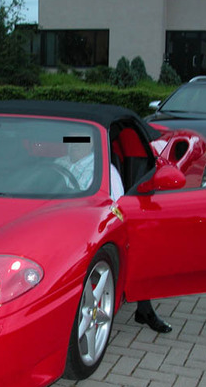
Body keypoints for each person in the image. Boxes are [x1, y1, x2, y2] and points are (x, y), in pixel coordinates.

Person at [58, 134, 171, 334]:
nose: (74, 146)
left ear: (92, 145)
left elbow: (117, 209)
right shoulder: (59, 163)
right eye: (71, 142)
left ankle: (132, 309)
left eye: (80, 142)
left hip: (86, 228)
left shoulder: (106, 172)